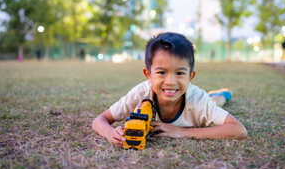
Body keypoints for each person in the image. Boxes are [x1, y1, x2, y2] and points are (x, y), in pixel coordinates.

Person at [92, 32, 247, 147]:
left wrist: (180, 132)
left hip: (200, 101)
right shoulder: (141, 93)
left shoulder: (198, 99)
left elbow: (238, 129)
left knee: (216, 101)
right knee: (211, 102)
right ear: (149, 75)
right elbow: (100, 120)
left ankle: (221, 94)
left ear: (190, 77)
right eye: (161, 72)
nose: (171, 81)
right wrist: (110, 133)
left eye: (180, 73)